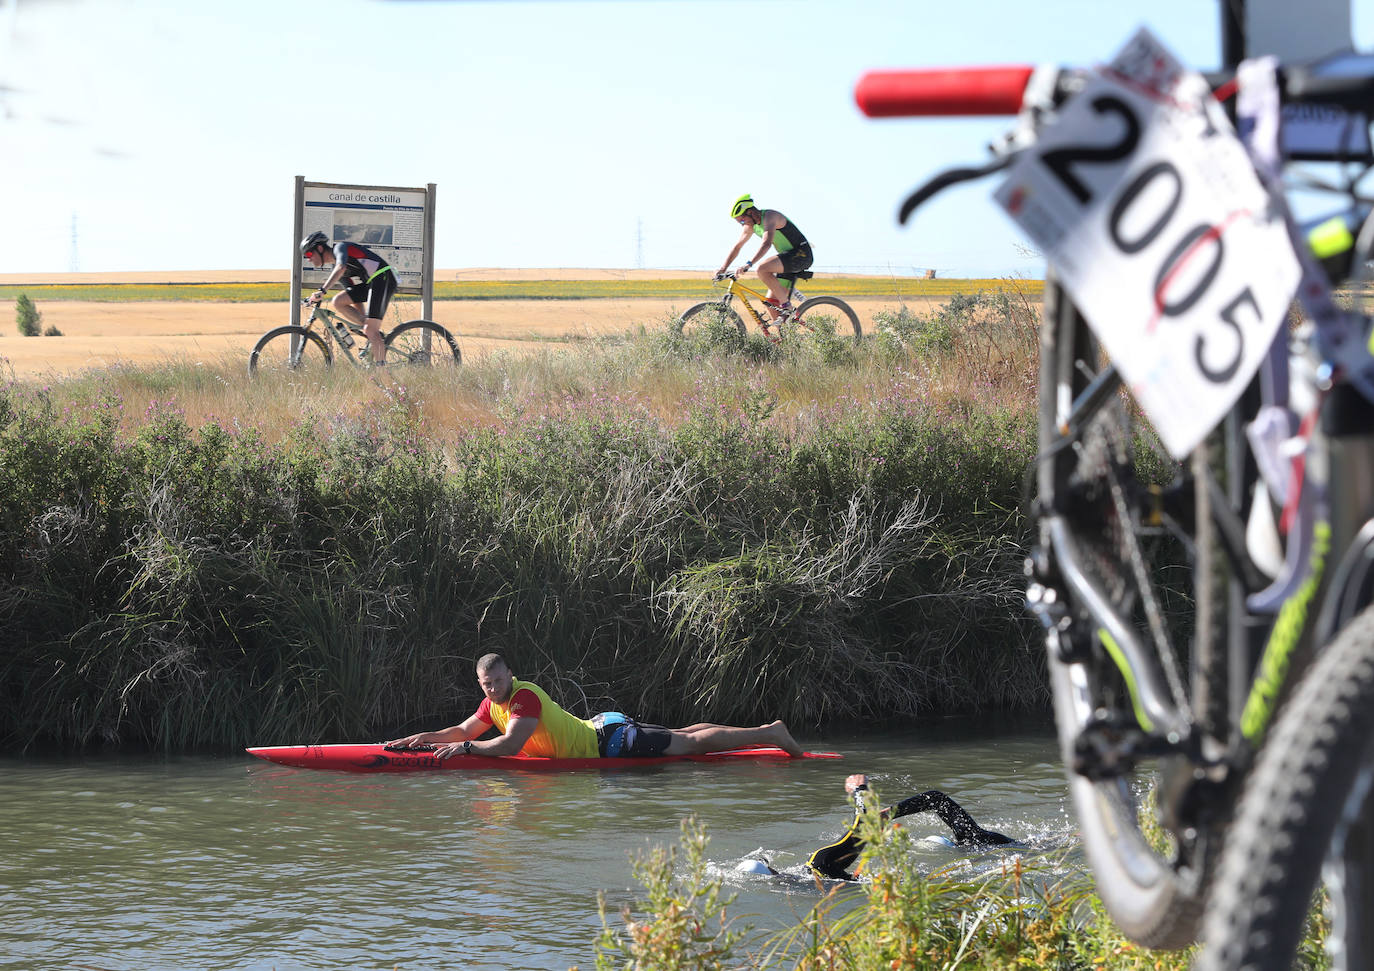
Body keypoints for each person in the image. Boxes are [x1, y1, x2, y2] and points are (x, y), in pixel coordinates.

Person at [385, 653, 806, 760]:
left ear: (510, 675)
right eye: (485, 684)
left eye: (496, 681)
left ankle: (770, 733)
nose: (492, 689)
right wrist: (425, 738)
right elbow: (462, 732)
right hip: (603, 728)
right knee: (683, 735)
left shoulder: (524, 697)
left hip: (609, 744)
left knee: (690, 746)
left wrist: (469, 751)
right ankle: (767, 732)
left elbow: (511, 746)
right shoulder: (491, 704)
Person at [300, 230, 397, 364]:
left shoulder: (340, 249)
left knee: (370, 329)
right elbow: (354, 296)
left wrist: (322, 291)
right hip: (371, 284)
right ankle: (375, 335)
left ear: (320, 248)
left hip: (383, 278)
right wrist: (364, 323)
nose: (308, 259)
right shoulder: (336, 267)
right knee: (338, 301)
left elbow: (341, 266)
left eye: (309, 254)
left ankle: (383, 373)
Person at [715, 194, 815, 318]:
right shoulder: (751, 225)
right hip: (787, 259)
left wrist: (748, 264)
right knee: (770, 304)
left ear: (750, 212)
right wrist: (723, 269)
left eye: (741, 220)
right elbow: (737, 247)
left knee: (762, 269)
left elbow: (766, 243)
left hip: (802, 255)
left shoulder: (770, 217)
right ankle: (784, 335)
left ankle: (787, 306)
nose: (741, 224)